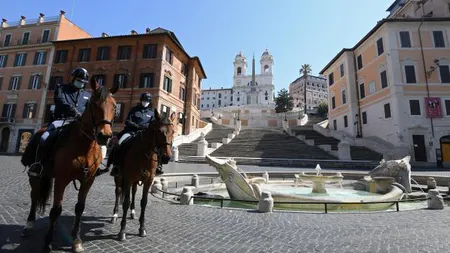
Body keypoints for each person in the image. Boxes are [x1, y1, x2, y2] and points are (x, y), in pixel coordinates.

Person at [24, 67, 92, 177]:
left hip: (79, 123)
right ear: (73, 78)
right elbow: (60, 101)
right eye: (79, 81)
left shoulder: (88, 95)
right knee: (44, 137)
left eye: (83, 82)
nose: (81, 84)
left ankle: (92, 166)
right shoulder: (61, 89)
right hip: (61, 120)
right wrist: (73, 110)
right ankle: (38, 163)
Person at [107, 92, 164, 177]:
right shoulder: (134, 110)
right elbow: (128, 121)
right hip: (131, 132)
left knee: (157, 146)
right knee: (120, 143)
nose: (146, 102)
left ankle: (159, 166)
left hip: (145, 134)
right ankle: (116, 166)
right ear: (141, 100)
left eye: (147, 101)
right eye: (144, 100)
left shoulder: (152, 113)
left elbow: (153, 124)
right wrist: (138, 126)